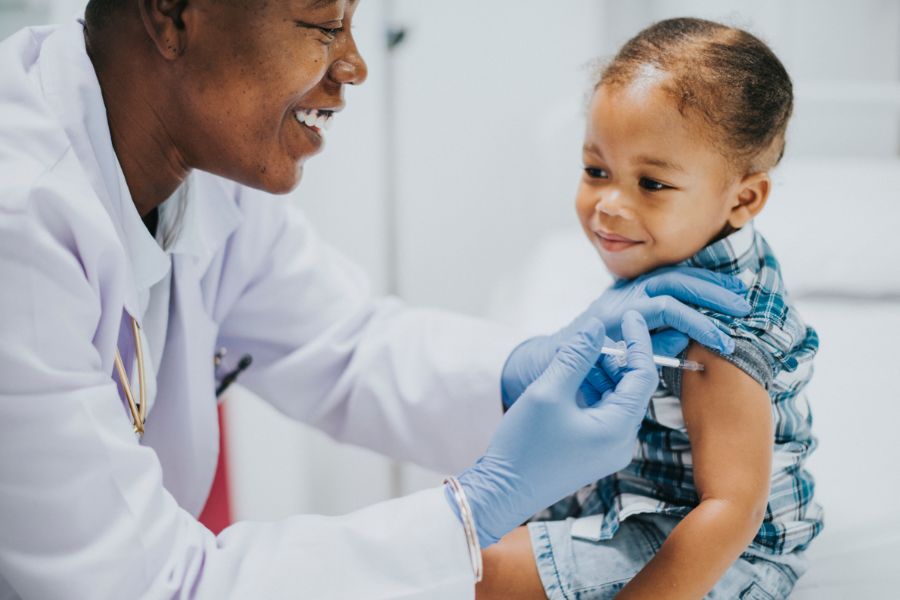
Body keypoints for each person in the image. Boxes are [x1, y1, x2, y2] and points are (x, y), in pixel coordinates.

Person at [0, 2, 753, 598]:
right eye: (324, 25)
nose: (353, 65)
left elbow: (348, 345)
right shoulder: (20, 223)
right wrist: (477, 507)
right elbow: (147, 587)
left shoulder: (203, 176)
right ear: (171, 14)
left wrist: (522, 372)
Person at [477, 17, 822, 600]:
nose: (609, 205)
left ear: (744, 198)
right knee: (456, 541)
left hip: (718, 554)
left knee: (473, 573)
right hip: (640, 498)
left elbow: (732, 508)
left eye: (652, 184)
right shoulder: (673, 258)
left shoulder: (720, 327)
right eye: (596, 171)